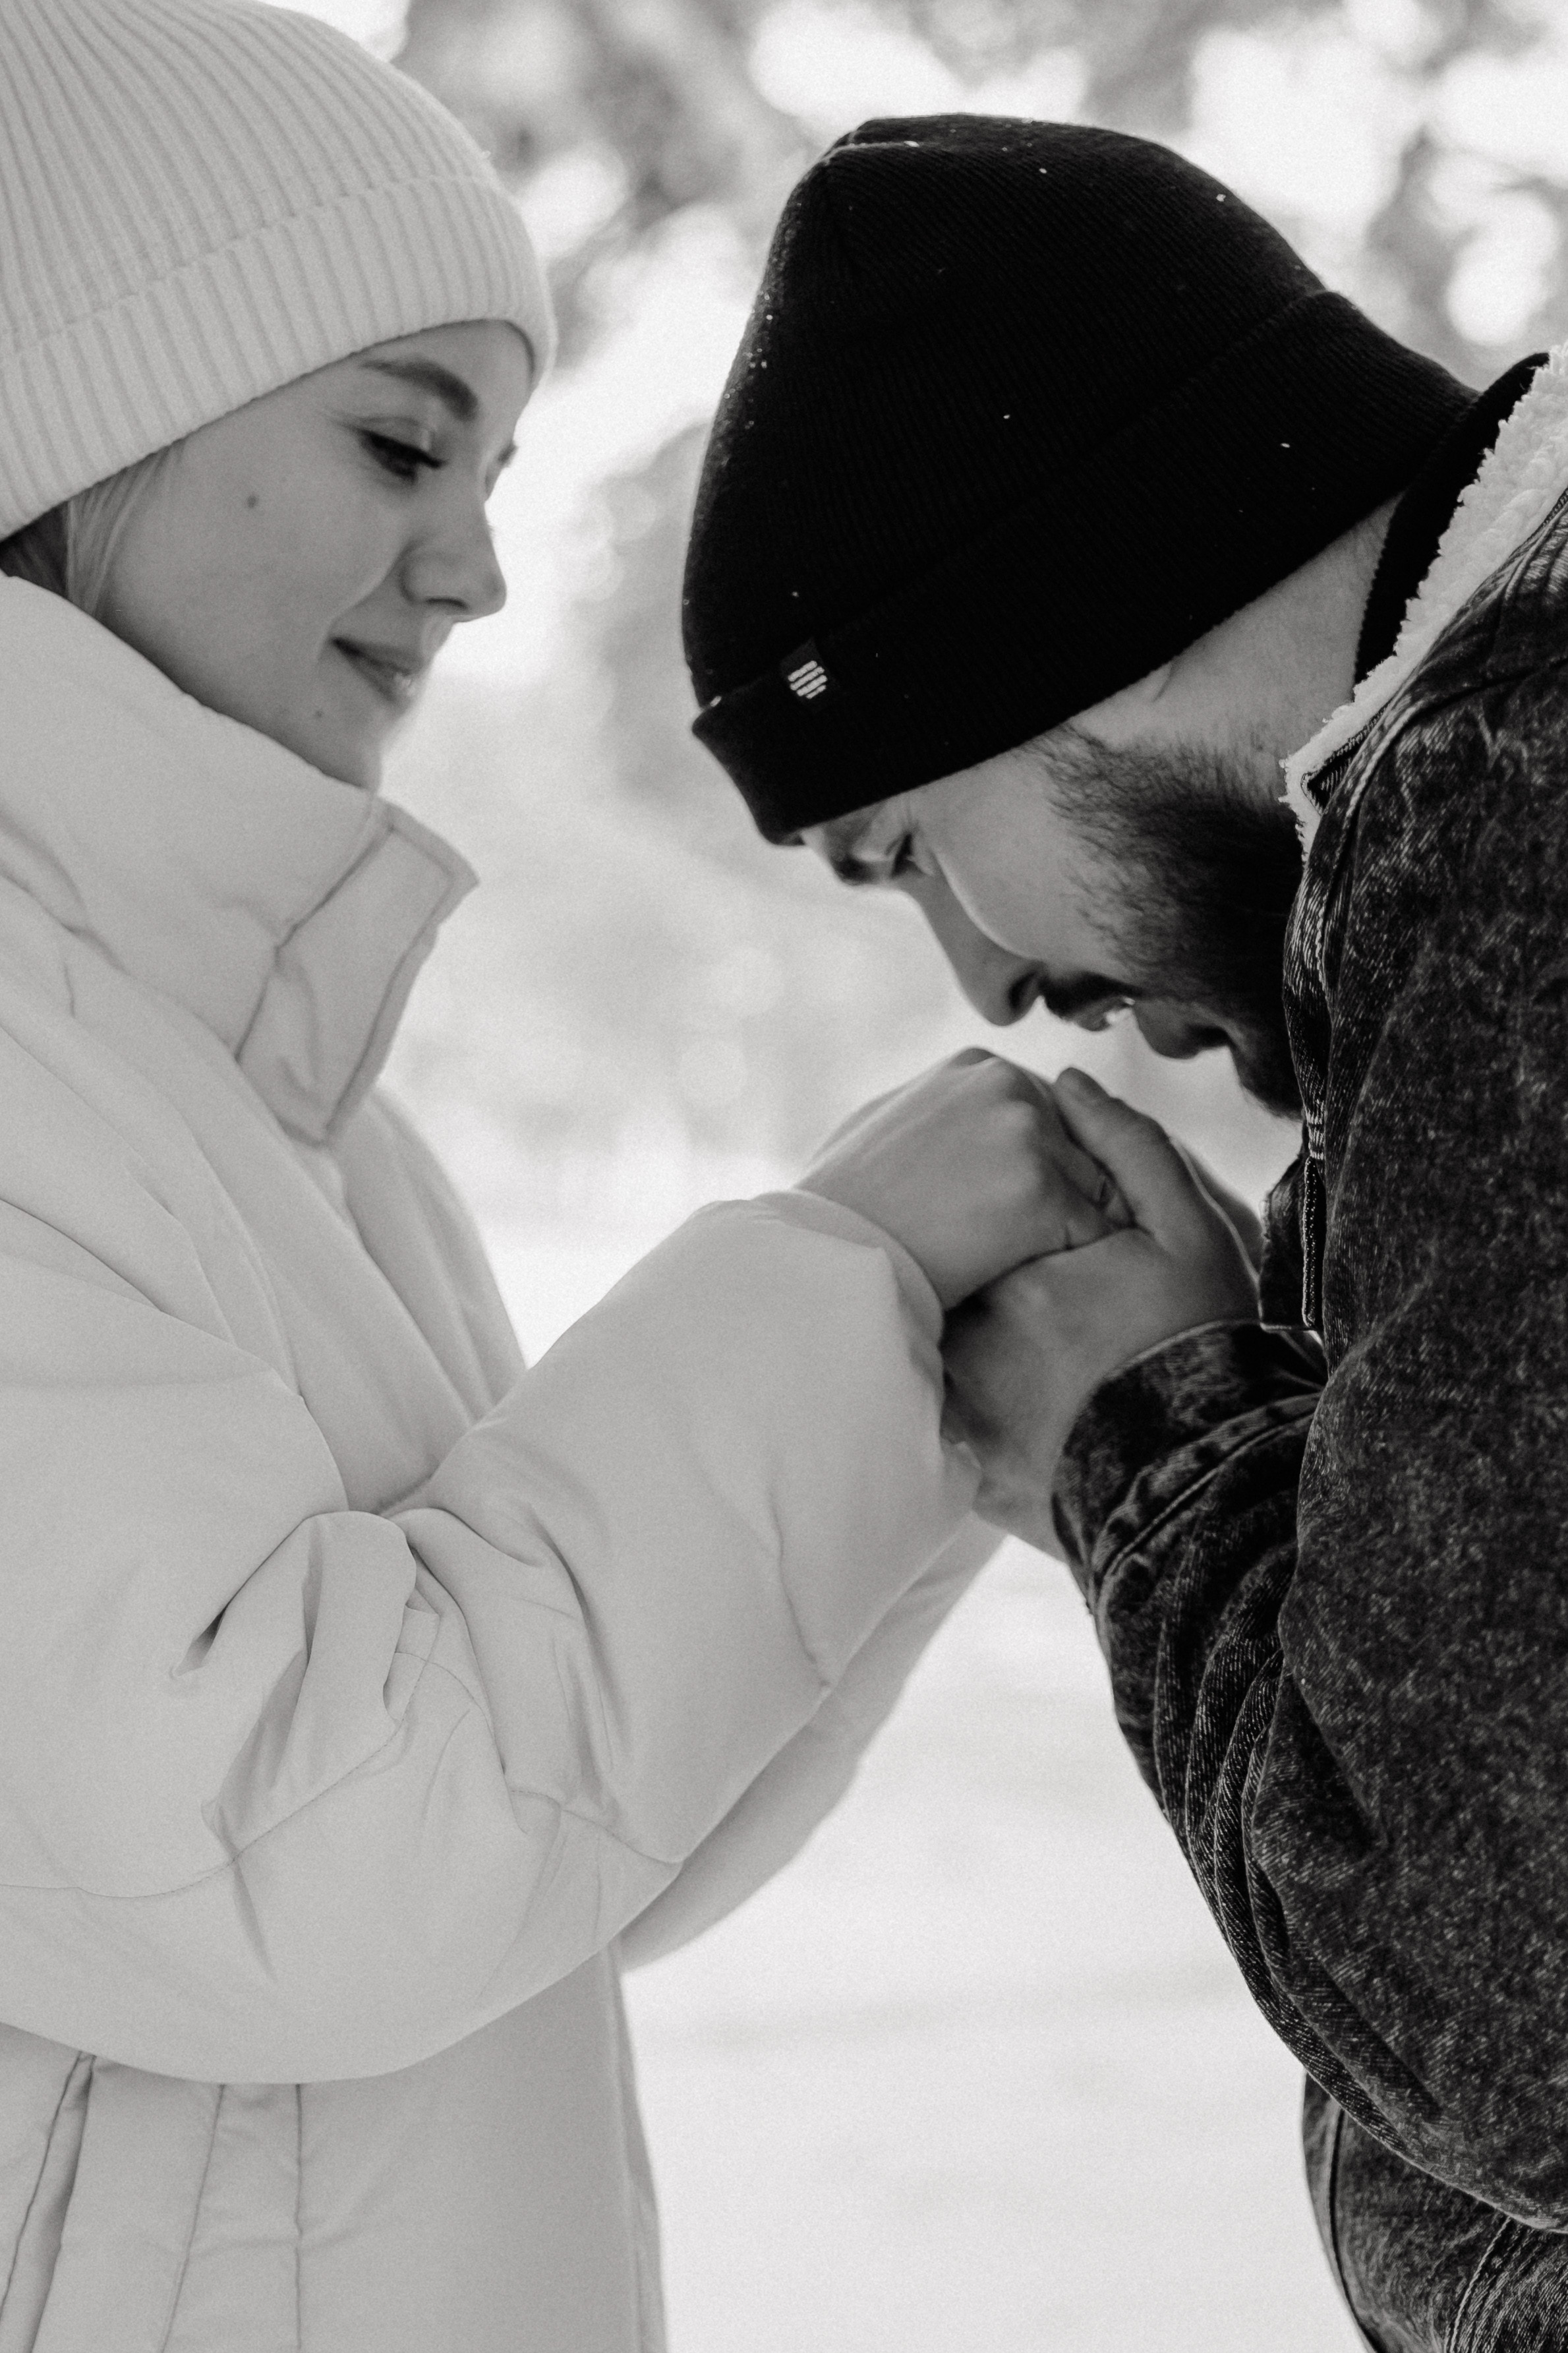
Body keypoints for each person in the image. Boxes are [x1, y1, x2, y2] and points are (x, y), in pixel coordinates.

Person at [0, 21, 1125, 2350]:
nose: (480, 567)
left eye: (495, 463)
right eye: (401, 439)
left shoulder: (289, 1102)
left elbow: (554, 1862)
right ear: (64, 423)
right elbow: (295, 1862)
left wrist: (913, 1387)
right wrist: (831, 1275)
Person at [682, 111, 1568, 2350]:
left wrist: (1147, 1433)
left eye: (900, 849)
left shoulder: (1502, 795)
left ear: (1058, 611)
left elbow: (1503, 2011)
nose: (983, 985)